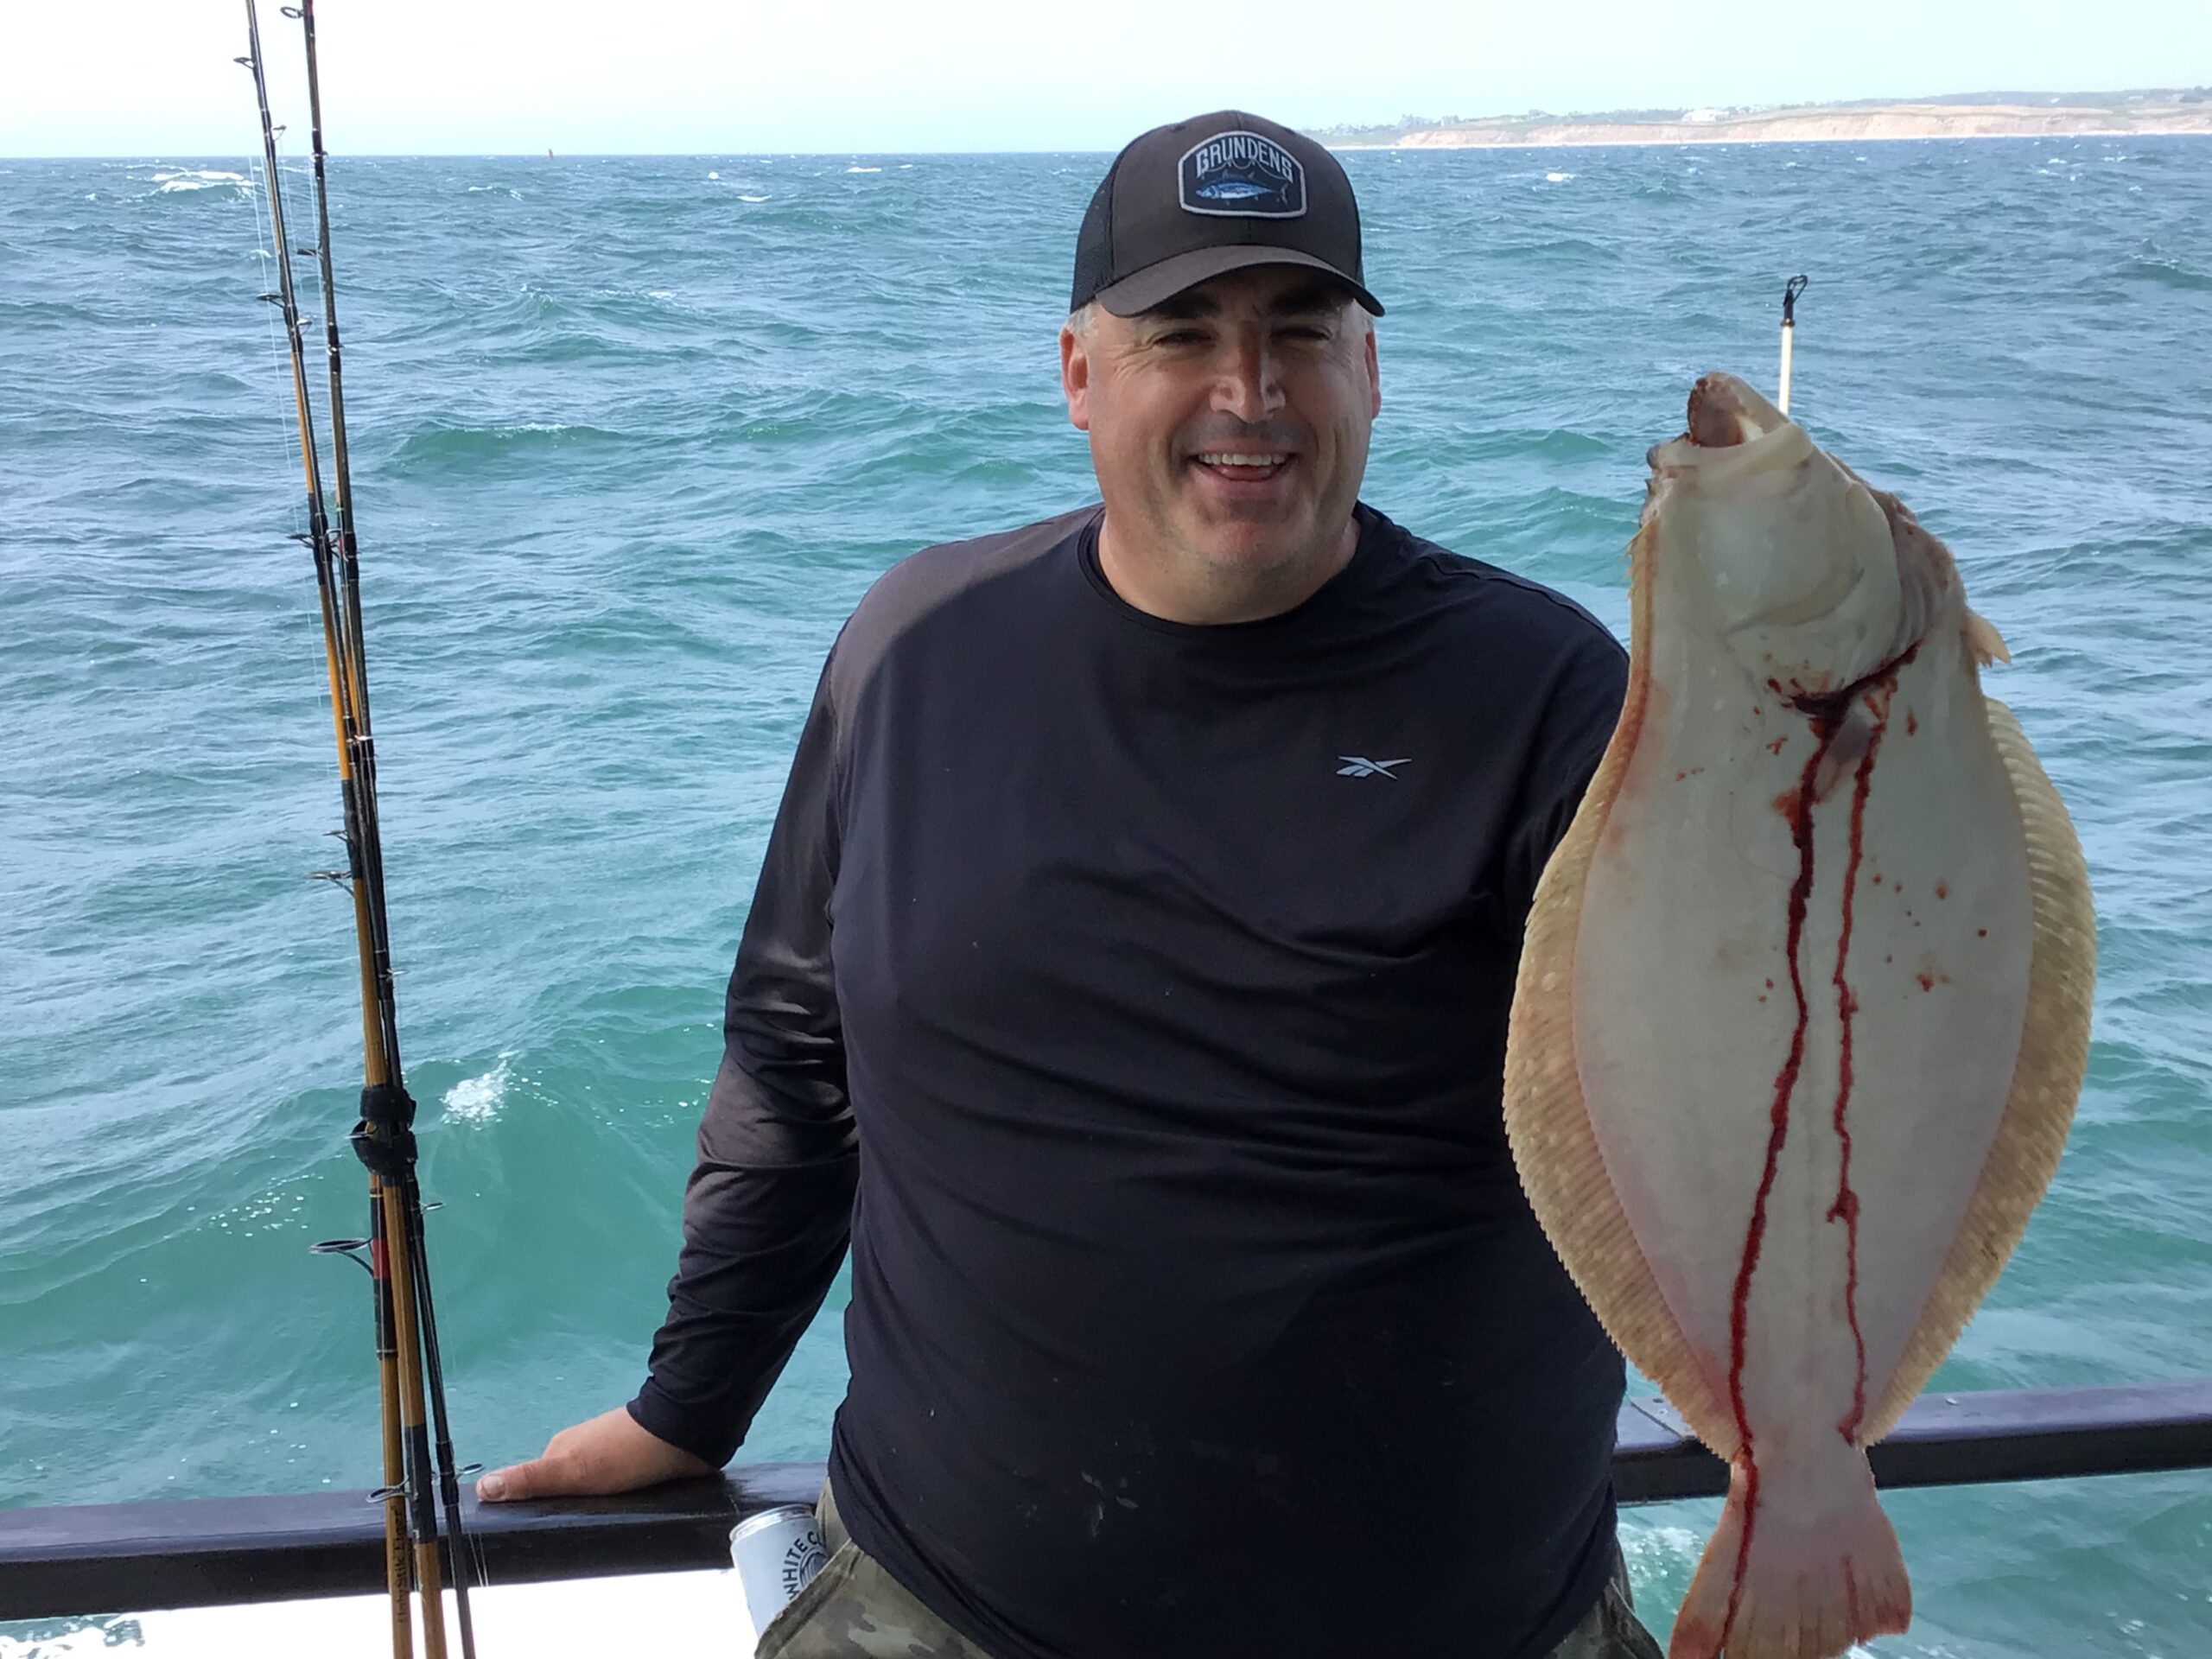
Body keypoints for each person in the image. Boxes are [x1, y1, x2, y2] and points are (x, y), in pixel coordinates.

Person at [479, 110, 1660, 1659]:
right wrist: (687, 1406)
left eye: (1302, 331)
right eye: (1183, 333)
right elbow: (795, 1048)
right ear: (1078, 374)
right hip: (941, 1607)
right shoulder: (910, 648)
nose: (1250, 394)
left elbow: (1722, 1121)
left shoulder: (1553, 694)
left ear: (1369, 372)